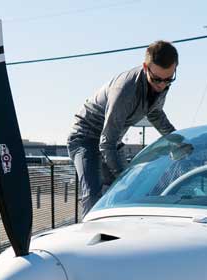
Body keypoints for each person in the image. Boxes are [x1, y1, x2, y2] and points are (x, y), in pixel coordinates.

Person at [68, 40, 180, 214]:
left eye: (168, 79)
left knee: (129, 193)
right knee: (94, 195)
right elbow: (107, 142)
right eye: (157, 79)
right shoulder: (125, 90)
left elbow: (155, 113)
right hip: (86, 138)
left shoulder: (161, 85)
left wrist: (178, 141)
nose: (162, 85)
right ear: (145, 67)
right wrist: (122, 178)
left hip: (112, 140)